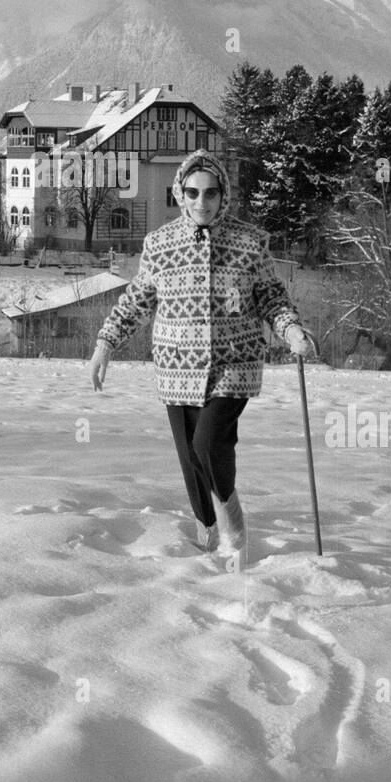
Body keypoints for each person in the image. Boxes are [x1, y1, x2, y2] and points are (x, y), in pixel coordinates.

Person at [88, 148, 317, 560]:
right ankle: (207, 535)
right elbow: (137, 300)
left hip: (235, 362)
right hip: (177, 366)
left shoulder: (249, 244)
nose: (201, 202)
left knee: (208, 444)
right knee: (190, 457)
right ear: (180, 194)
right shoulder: (160, 244)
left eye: (210, 193)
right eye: (192, 192)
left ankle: (233, 525)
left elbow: (271, 298)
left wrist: (292, 330)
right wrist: (106, 343)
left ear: (222, 195)